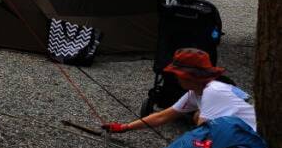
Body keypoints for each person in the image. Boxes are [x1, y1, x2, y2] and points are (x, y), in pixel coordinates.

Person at [102, 48, 257, 133]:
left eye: (177, 74)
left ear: (189, 76)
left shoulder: (213, 91)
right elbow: (162, 116)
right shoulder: (196, 92)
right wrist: (125, 127)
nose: (175, 77)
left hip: (253, 138)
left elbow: (202, 133)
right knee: (197, 115)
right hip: (240, 130)